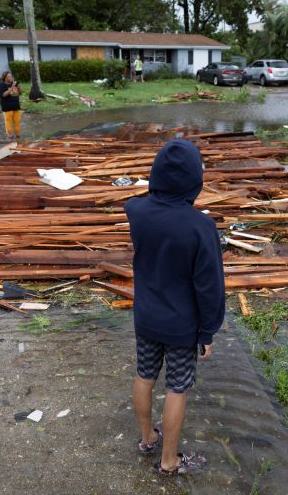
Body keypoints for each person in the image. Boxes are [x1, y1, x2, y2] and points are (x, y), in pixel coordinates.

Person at [124, 139, 225, 476]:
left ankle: (147, 437)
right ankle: (168, 461)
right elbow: (208, 286)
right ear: (195, 183)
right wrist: (207, 330)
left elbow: (136, 200)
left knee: (145, 374)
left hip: (146, 317)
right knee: (177, 387)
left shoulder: (136, 211)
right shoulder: (201, 227)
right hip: (181, 326)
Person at [0, 71, 21, 140]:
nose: (10, 78)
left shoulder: (14, 84)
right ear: (5, 78)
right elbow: (3, 95)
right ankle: (10, 136)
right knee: (8, 122)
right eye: (9, 77)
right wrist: (11, 88)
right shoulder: (2, 85)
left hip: (16, 106)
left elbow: (18, 93)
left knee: (17, 121)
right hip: (7, 107)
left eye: (11, 76)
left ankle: (17, 135)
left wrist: (18, 87)